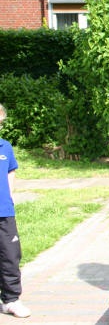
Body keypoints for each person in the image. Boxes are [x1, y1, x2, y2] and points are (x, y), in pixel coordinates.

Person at [0, 104, 31, 318]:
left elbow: (11, 170)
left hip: (4, 211)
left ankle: (11, 300)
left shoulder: (5, 147)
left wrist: (9, 196)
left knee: (10, 256)